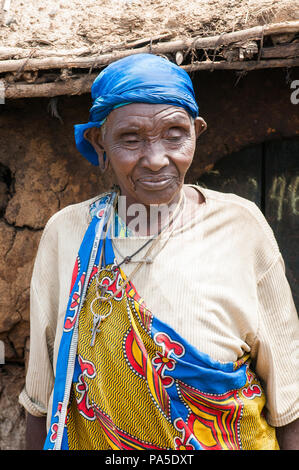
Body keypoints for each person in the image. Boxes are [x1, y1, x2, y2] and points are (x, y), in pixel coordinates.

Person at [19, 53, 299, 450]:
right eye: (130, 139)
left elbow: (290, 396)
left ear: (196, 133)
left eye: (174, 134)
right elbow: (42, 398)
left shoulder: (242, 224)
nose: (155, 160)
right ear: (100, 143)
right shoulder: (68, 233)